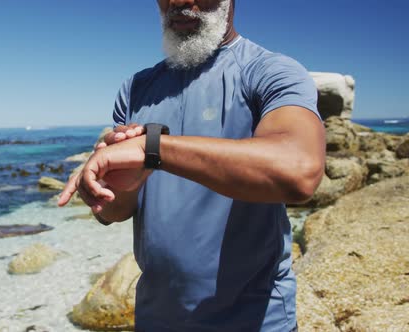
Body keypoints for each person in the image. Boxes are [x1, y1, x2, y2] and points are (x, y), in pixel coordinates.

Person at [59, 0, 325, 331]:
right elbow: (114, 213)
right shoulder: (136, 89)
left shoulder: (269, 71)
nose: (180, 1)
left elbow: (299, 171)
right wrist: (108, 189)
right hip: (156, 319)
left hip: (255, 321)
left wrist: (153, 148)